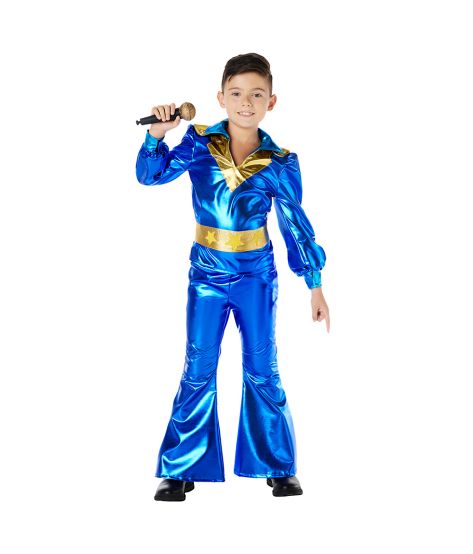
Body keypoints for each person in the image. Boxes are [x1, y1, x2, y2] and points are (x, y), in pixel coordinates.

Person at [135, 53, 330, 501]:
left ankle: (277, 464)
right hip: (206, 273)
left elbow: (295, 225)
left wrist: (315, 284)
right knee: (198, 364)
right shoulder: (199, 143)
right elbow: (150, 176)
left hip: (256, 276)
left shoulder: (280, 161)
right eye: (237, 93)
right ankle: (181, 466)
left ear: (271, 102)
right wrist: (157, 135)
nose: (246, 102)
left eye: (257, 95)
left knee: (262, 366)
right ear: (221, 97)